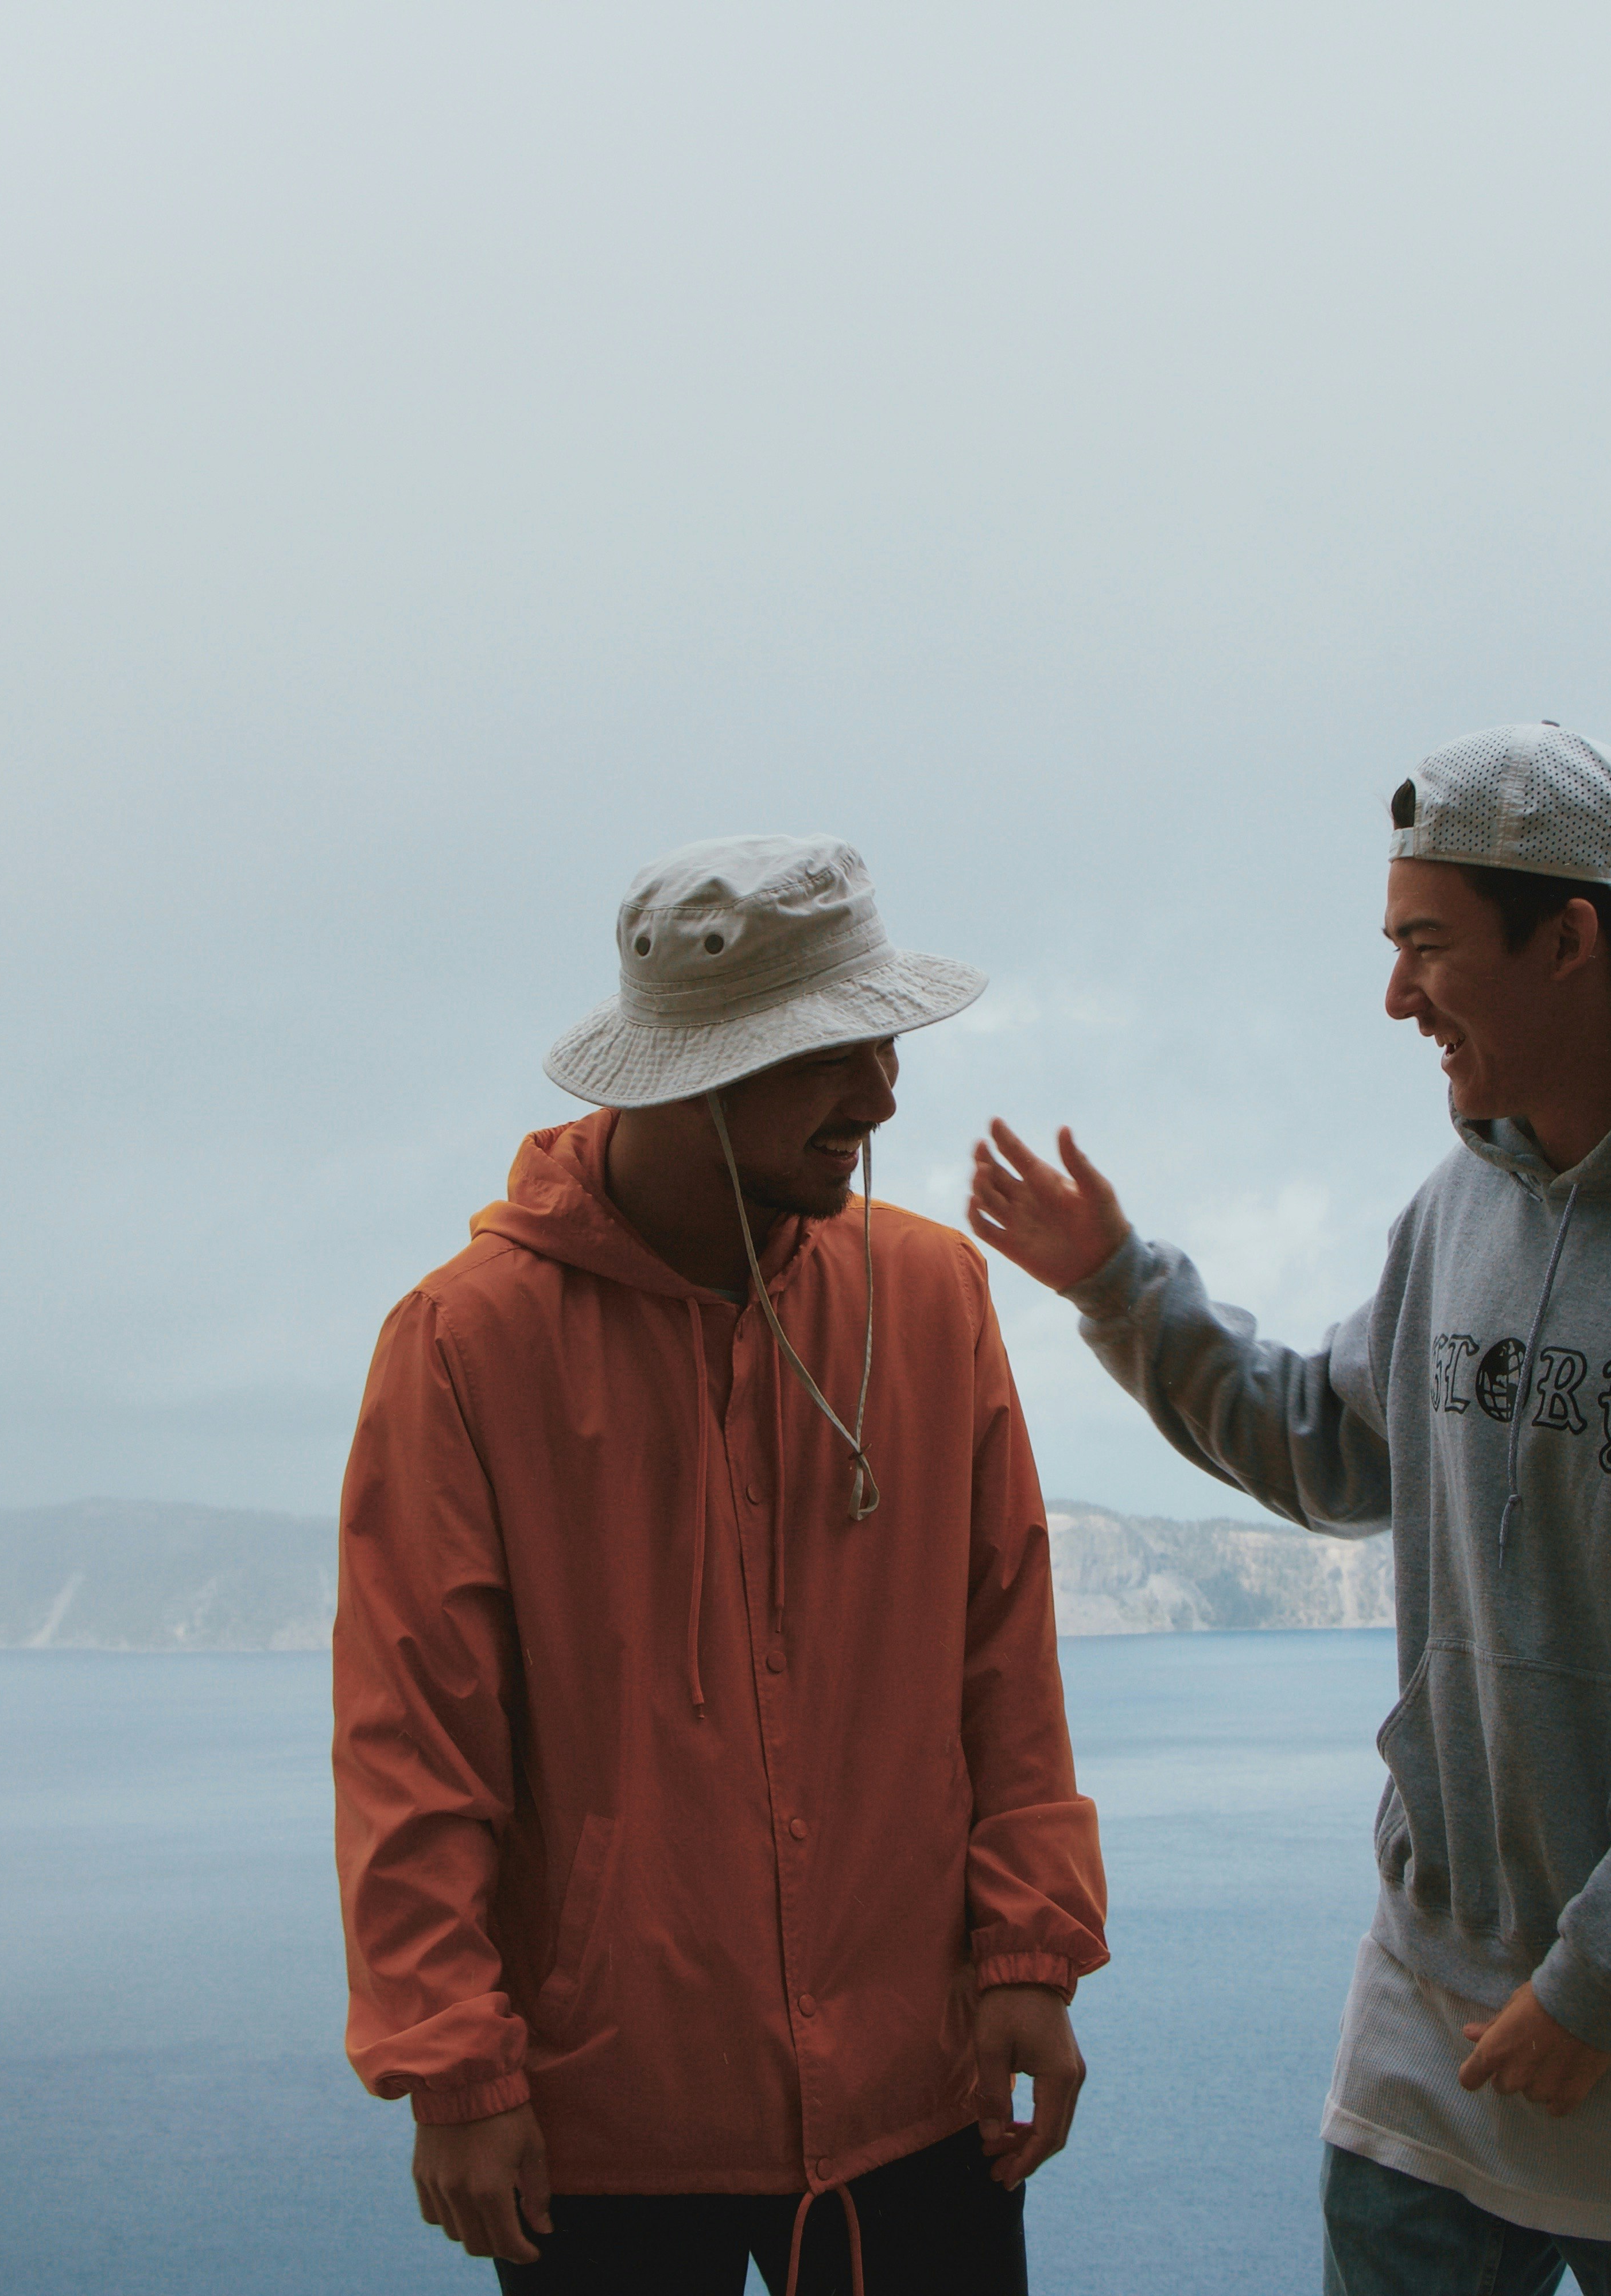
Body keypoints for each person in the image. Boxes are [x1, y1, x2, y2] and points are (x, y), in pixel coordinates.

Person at [967, 724, 1611, 2294]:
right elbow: (1326, 1447)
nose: (1398, 997)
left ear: (1567, 943)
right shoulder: (1460, 1209)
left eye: (1428, 946)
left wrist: (1599, 1979)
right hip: (1430, 2012)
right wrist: (1117, 1287)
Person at [336, 833, 1108, 2295]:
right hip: (605, 2124)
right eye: (832, 1056)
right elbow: (414, 1738)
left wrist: (1029, 1949)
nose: (884, 1094)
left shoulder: (931, 1296)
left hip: (918, 2090)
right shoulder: (464, 1345)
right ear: (695, 1072)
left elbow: (1004, 1655)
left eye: (881, 1045)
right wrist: (454, 2065)